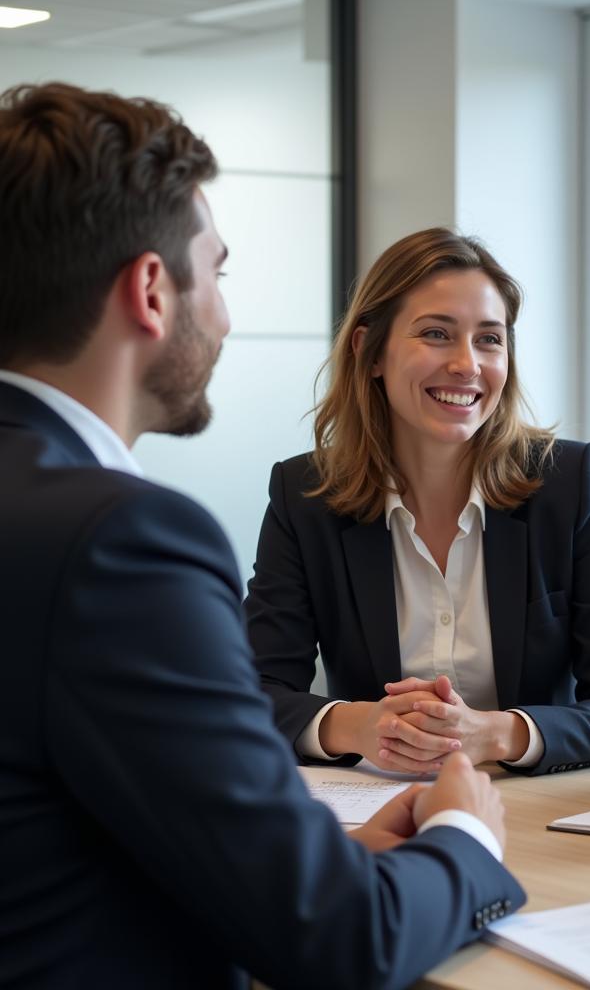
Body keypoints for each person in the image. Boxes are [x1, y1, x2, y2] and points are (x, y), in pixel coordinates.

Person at [0, 82, 524, 990]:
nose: (228, 313)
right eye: (221, 271)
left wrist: (325, 848)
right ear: (152, 291)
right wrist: (466, 835)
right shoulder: (122, 541)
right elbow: (340, 942)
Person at [245, 227, 590, 776]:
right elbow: (256, 692)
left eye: (490, 338)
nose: (468, 364)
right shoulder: (305, 497)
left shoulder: (571, 484)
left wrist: (498, 733)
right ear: (370, 353)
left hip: (533, 806)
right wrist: (361, 726)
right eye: (436, 334)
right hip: (380, 808)